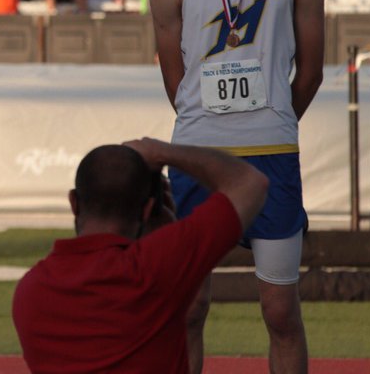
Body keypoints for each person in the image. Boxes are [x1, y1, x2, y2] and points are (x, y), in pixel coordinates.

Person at [150, 0, 325, 373]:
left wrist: (270, 118)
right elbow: (174, 76)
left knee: (279, 310)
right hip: (199, 156)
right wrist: (209, 127)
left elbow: (312, 71)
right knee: (189, 308)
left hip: (272, 155)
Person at [13, 137, 269, 373]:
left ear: (74, 203)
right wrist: (162, 152)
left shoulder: (31, 289)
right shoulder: (158, 267)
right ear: (147, 209)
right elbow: (250, 183)